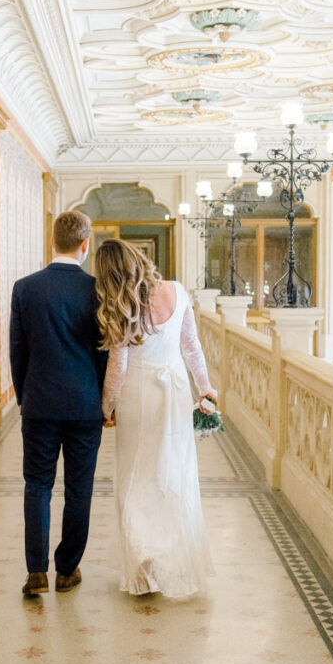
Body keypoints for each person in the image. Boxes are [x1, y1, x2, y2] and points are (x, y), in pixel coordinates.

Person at [96, 239, 216, 598]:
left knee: (135, 476)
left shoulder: (122, 304)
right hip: (175, 389)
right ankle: (171, 560)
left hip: (138, 394)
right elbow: (191, 347)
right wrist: (205, 389)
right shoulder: (177, 291)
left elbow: (118, 365)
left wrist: (106, 407)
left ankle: (142, 569)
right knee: (173, 471)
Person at [10, 210, 107, 597]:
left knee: (37, 484)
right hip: (85, 404)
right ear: (86, 244)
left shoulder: (25, 288)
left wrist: (24, 395)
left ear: (52, 241)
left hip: (39, 402)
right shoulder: (98, 290)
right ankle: (67, 569)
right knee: (79, 488)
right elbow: (105, 352)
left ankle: (36, 571)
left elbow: (18, 350)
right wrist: (105, 401)